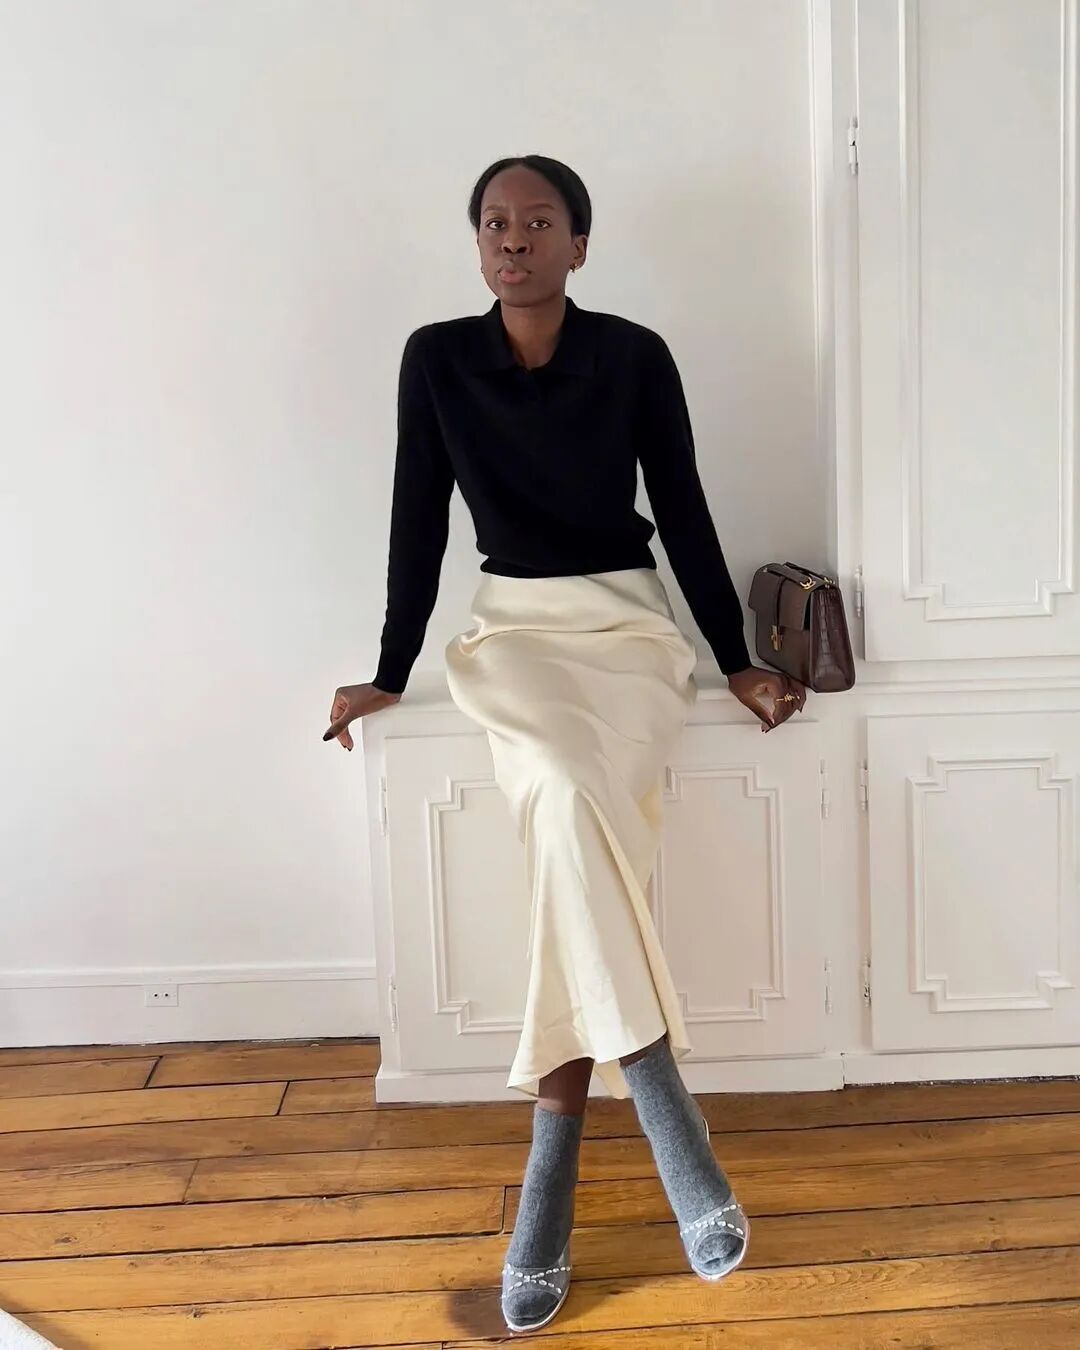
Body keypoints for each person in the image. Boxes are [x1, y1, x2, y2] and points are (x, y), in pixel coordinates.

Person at [323, 155, 806, 1334]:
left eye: (539, 222)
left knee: (573, 810)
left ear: (579, 245)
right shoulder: (436, 359)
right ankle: (662, 1100)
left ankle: (553, 1168)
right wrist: (389, 670)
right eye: (495, 222)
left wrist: (734, 656)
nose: (514, 239)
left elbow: (682, 510)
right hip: (515, 632)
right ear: (477, 244)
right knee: (556, 777)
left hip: (628, 627)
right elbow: (416, 517)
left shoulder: (634, 355)